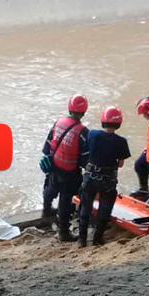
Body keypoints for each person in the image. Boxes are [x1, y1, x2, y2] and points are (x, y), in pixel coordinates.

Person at [78, 106, 131, 247]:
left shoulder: (93, 134)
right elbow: (120, 164)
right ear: (118, 124)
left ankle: (81, 239)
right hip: (108, 180)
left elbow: (86, 151)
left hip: (91, 178)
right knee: (104, 209)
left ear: (103, 121)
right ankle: (97, 239)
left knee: (85, 206)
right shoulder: (121, 142)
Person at [42, 94, 90, 242]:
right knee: (66, 201)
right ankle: (64, 232)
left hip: (54, 167)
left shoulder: (59, 123)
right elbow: (85, 158)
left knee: (49, 188)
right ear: (84, 111)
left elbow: (47, 147)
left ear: (69, 108)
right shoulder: (83, 131)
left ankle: (47, 208)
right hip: (70, 173)